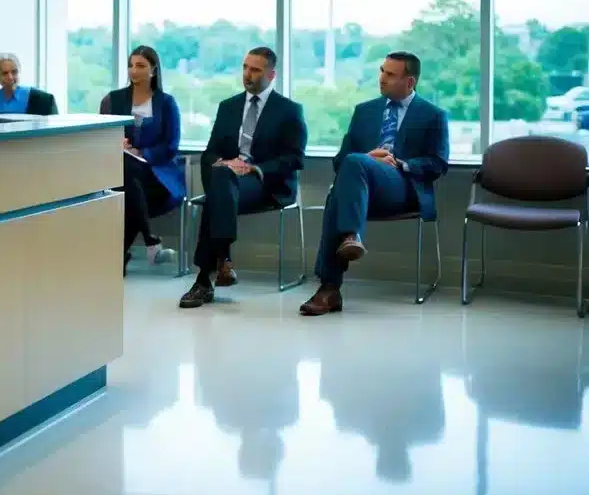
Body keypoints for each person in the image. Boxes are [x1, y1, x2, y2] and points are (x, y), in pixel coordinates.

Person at [300, 51, 449, 316]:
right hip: (362, 189)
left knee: (346, 181)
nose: (381, 78)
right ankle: (333, 281)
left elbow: (438, 164)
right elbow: (340, 161)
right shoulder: (364, 111)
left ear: (410, 82)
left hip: (403, 188)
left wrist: (400, 163)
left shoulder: (432, 115)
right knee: (350, 172)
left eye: (390, 74)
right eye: (382, 71)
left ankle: (332, 280)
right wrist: (367, 159)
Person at [179, 47, 307, 309]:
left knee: (219, 188)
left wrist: (254, 169)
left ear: (271, 75)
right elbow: (210, 151)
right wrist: (224, 164)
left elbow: (295, 158)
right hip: (228, 181)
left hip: (265, 184)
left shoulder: (289, 110)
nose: (248, 74)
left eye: (256, 70)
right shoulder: (228, 106)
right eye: (245, 67)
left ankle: (208, 276)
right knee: (221, 177)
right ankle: (217, 267)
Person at [100, 46, 184, 275]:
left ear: (153, 70)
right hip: (124, 172)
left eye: (140, 66)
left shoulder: (166, 103)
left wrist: (142, 153)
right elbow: (102, 135)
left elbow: (171, 146)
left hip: (158, 176)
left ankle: (124, 253)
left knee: (127, 179)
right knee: (128, 178)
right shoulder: (113, 99)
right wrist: (117, 145)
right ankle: (150, 242)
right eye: (131, 65)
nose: (133, 71)